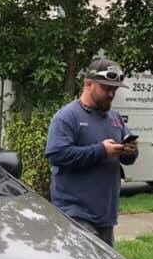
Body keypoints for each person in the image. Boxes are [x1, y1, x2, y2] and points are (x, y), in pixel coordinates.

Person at [45, 57, 138, 246]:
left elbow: (129, 158)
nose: (111, 94)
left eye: (115, 89)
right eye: (106, 88)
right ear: (88, 84)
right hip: (76, 214)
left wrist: (129, 151)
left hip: (105, 217)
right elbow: (56, 155)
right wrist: (101, 151)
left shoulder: (114, 118)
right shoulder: (67, 117)